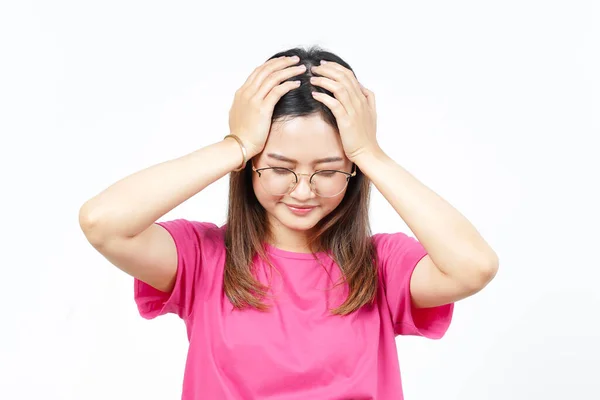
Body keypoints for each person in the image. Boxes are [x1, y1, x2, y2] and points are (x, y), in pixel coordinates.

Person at [79, 46, 499, 399]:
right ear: (249, 166)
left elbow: (473, 266)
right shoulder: (202, 258)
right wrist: (237, 143)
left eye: (328, 170)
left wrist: (371, 154)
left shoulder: (383, 265)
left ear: (353, 172)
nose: (302, 191)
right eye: (280, 168)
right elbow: (102, 222)